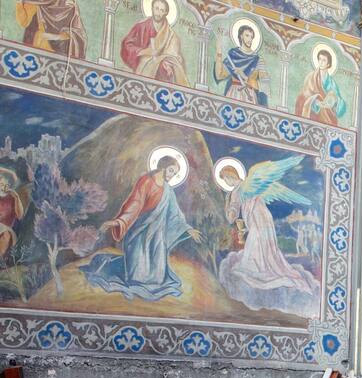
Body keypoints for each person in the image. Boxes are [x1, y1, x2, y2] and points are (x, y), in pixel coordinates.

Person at [82, 156, 201, 300]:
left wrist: (188, 229)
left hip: (157, 235)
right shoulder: (146, 181)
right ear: (162, 167)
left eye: (174, 174)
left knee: (157, 278)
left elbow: (175, 213)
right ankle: (107, 264)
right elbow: (135, 204)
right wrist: (118, 221)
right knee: (136, 275)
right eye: (171, 170)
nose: (171, 175)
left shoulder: (168, 191)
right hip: (139, 232)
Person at [216, 157, 319, 317]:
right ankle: (260, 266)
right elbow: (232, 217)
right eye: (225, 181)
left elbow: (240, 205)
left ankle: (261, 268)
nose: (228, 182)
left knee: (257, 241)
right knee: (256, 242)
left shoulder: (247, 183)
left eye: (228, 178)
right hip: (253, 220)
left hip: (260, 217)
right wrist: (227, 203)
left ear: (233, 174)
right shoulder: (234, 192)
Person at [120, 0, 189, 85]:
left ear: (166, 13)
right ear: (152, 8)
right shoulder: (141, 27)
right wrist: (142, 51)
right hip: (144, 68)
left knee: (164, 68)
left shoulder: (172, 35)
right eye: (157, 8)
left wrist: (170, 63)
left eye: (162, 10)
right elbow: (127, 45)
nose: (158, 13)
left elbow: (175, 56)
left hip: (163, 76)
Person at [214, 24, 268, 105]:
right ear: (241, 36)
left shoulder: (258, 59)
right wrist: (219, 52)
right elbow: (219, 75)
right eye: (247, 35)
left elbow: (264, 85)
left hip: (249, 96)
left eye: (251, 37)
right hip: (233, 94)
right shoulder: (233, 54)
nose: (250, 39)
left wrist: (245, 77)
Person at [16, 0, 85, 58]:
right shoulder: (36, 2)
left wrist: (56, 37)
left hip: (57, 55)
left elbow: (77, 34)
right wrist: (19, 3)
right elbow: (24, 22)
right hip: (35, 47)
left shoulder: (70, 6)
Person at [294, 49, 346, 126]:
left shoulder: (332, 83)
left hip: (327, 115)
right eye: (320, 59)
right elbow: (303, 95)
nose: (321, 62)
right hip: (312, 114)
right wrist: (315, 102)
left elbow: (340, 101)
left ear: (328, 64)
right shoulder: (311, 77)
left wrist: (335, 101)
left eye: (324, 60)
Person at [0, 169, 26, 261]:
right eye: (0, 184)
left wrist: (16, 197)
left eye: (4, 185)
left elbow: (20, 216)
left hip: (6, 230)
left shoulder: (12, 197)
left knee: (5, 235)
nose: (2, 187)